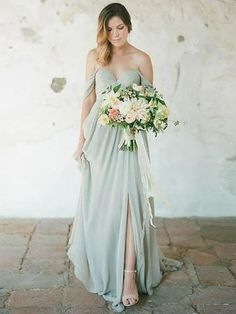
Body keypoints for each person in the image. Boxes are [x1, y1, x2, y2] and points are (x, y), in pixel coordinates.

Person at [66, 2, 183, 313]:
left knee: (131, 203)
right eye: (109, 28)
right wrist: (81, 141)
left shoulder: (142, 59)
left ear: (129, 26)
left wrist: (140, 117)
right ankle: (106, 262)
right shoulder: (95, 56)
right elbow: (88, 100)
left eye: (120, 27)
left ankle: (129, 277)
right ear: (103, 30)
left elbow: (153, 105)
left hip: (129, 142)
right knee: (104, 205)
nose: (115, 34)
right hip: (100, 141)